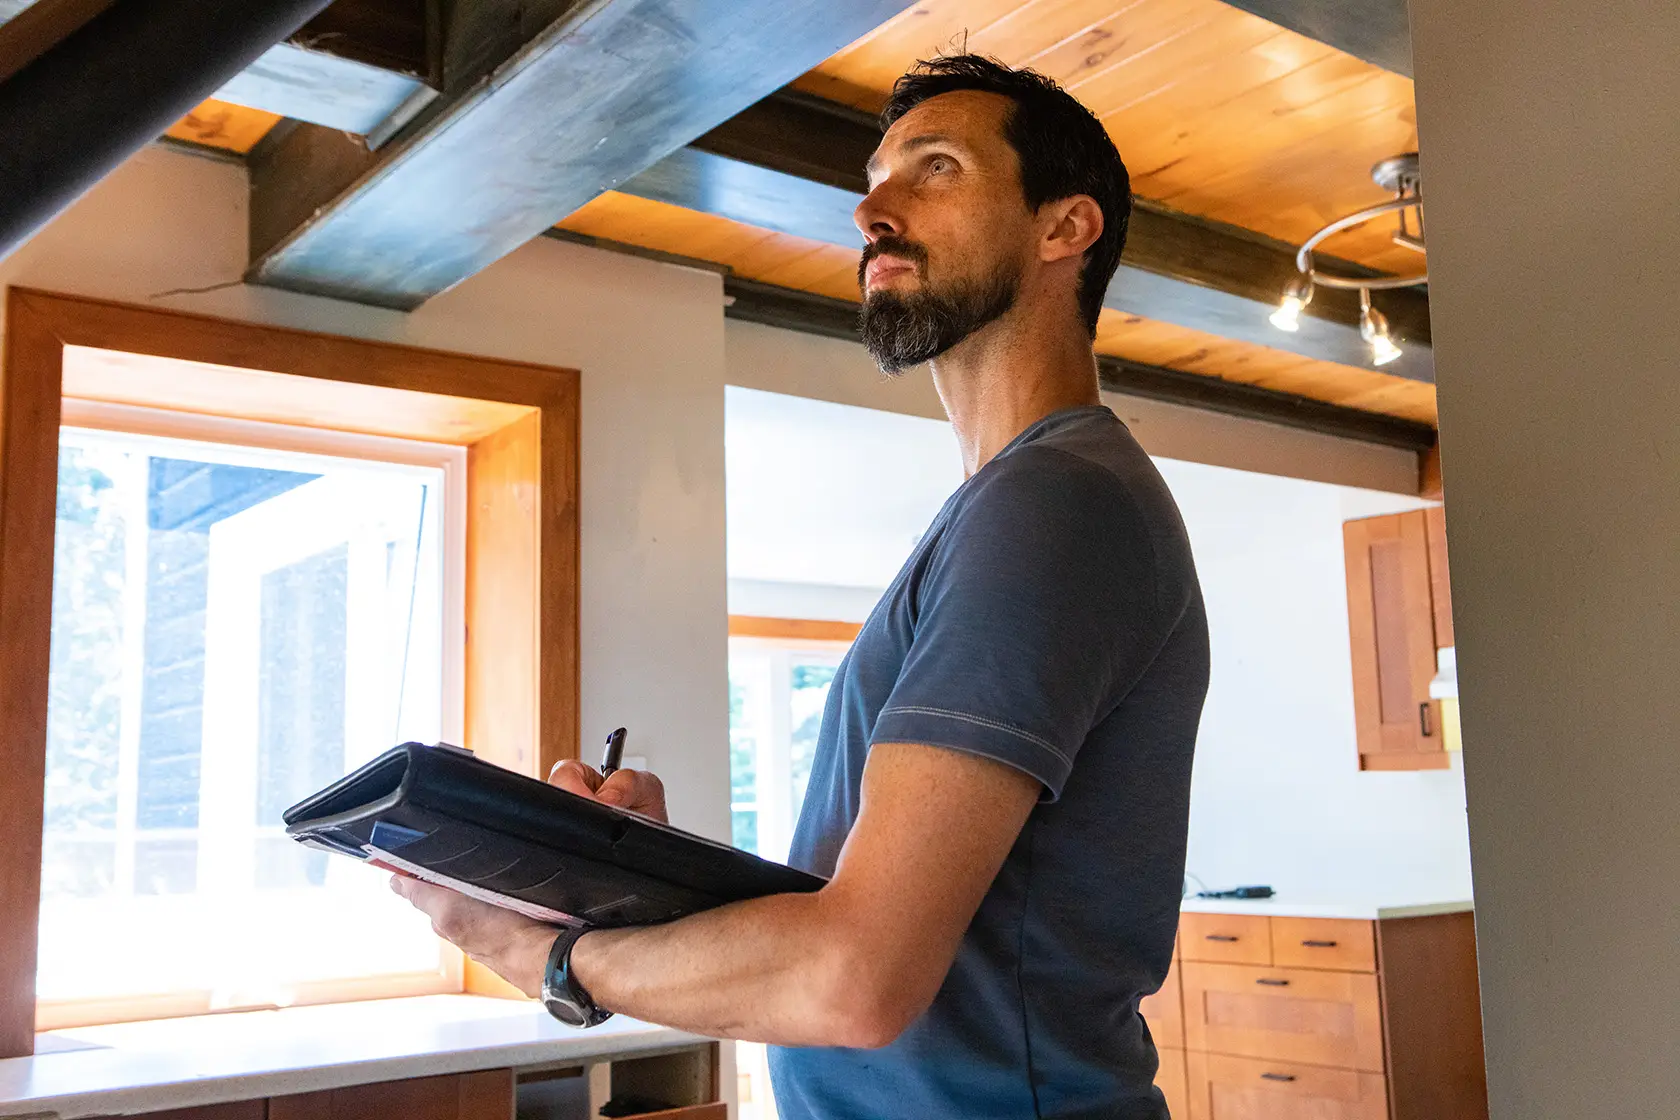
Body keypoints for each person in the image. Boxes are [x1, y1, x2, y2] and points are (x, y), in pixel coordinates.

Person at [394, 54, 1210, 1120]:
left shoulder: (1053, 504)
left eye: (936, 168)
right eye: (876, 179)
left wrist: (558, 958)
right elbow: (866, 916)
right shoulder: (1017, 506)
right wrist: (647, 871)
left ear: (1066, 229)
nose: (874, 207)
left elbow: (854, 978)